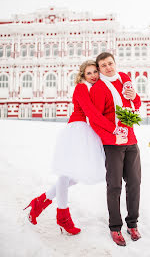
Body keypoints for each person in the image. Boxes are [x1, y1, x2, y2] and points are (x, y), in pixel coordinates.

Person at [24, 60, 127, 235]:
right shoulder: (81, 88)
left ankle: (40, 202)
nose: (93, 75)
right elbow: (91, 112)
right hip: (78, 129)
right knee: (66, 173)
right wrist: (113, 128)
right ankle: (62, 215)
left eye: (95, 71)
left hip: (89, 131)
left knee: (76, 175)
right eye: (89, 73)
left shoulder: (98, 87)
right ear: (82, 75)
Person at [89, 52, 142, 246]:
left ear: (115, 63)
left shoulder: (124, 80)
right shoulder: (99, 88)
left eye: (110, 63)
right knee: (115, 186)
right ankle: (115, 227)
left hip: (131, 140)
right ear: (99, 69)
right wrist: (112, 136)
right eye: (103, 65)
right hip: (112, 144)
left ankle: (132, 224)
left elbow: (136, 105)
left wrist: (135, 96)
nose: (108, 67)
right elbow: (95, 121)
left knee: (135, 183)